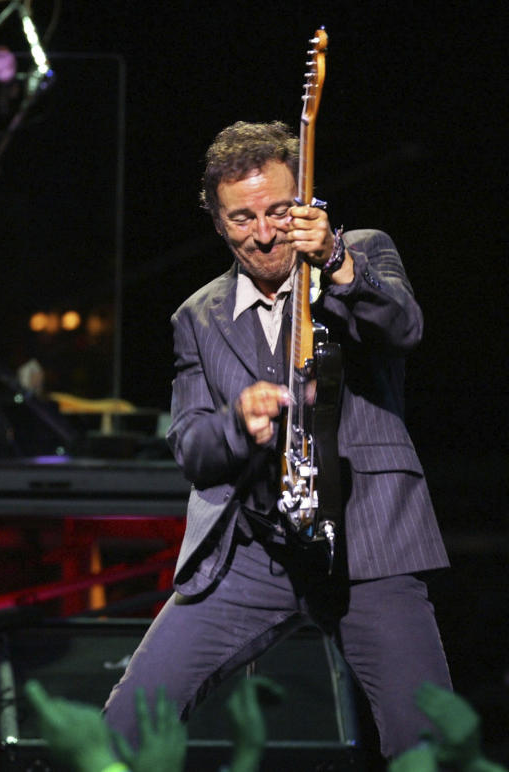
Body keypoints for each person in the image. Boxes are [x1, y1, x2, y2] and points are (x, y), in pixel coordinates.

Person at [102, 121, 451, 761]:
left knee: (427, 742)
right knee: (125, 723)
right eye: (241, 219)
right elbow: (192, 449)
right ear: (216, 222)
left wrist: (337, 262)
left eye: (278, 212)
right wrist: (239, 423)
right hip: (254, 551)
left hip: (369, 541)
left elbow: (402, 327)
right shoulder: (198, 316)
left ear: (307, 203)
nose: (264, 234)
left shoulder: (359, 253)